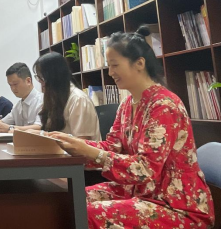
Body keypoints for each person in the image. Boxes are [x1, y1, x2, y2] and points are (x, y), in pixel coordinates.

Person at [50, 27, 215, 229]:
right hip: (140, 190)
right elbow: (112, 146)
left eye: (115, 65)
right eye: (109, 66)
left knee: (88, 213)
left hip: (175, 204)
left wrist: (90, 152)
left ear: (139, 63)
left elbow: (146, 168)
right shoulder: (127, 104)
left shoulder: (164, 105)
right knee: (72, 199)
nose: (110, 72)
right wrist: (73, 144)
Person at [31, 52, 101, 140]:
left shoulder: (78, 99)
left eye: (41, 77)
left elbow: (82, 141)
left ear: (53, 77)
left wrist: (43, 134)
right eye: (38, 77)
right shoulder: (54, 97)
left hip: (77, 149)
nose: (40, 82)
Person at [0, 63, 44, 133]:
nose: (13, 88)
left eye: (15, 84)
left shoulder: (42, 101)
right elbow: (2, 122)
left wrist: (10, 128)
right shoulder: (18, 105)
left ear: (28, 81)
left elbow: (39, 127)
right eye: (10, 85)